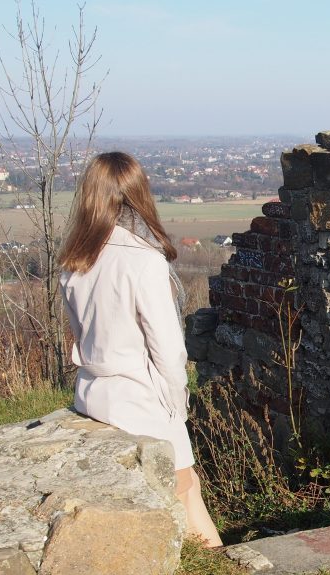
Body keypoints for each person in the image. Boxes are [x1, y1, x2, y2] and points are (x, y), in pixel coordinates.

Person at [58, 151, 222, 548]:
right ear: (139, 194)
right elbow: (167, 348)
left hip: (93, 395)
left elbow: (81, 338)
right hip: (144, 400)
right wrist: (177, 405)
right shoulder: (143, 262)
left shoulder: (76, 262)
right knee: (186, 493)